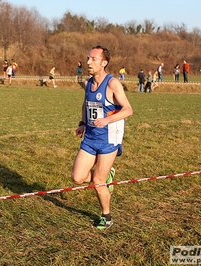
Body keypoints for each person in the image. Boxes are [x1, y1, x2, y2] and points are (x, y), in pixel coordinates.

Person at [72, 45, 133, 229]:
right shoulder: (88, 83)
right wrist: (82, 123)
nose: (88, 62)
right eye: (88, 58)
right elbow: (86, 104)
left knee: (98, 182)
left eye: (93, 59)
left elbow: (128, 110)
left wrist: (108, 120)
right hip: (90, 138)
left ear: (104, 62)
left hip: (108, 140)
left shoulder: (113, 83)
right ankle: (107, 176)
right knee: (77, 178)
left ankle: (106, 217)